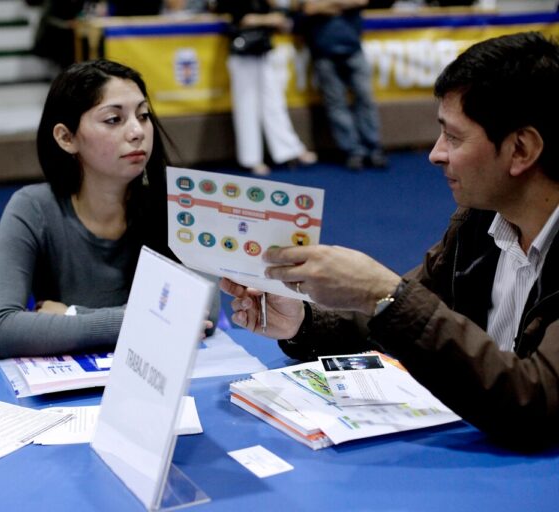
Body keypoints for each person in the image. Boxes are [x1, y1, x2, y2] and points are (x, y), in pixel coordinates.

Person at [221, 32, 559, 447]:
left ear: (521, 149)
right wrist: (304, 322)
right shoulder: (481, 222)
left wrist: (385, 292)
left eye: (453, 137)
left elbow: (536, 404)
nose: (435, 154)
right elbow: (403, 311)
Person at [0, 59, 218, 359]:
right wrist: (143, 320)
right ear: (67, 138)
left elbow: (203, 312)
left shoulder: (178, 201)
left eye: (143, 116)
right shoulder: (32, 208)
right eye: (114, 120)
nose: (137, 131)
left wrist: (73, 315)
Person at [214, 0, 318, 176]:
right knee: (247, 106)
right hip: (242, 53)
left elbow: (282, 14)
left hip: (263, 49)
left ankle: (290, 149)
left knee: (274, 102)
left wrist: (276, 18)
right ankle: (252, 159)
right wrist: (271, 19)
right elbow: (242, 19)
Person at [291, 0, 386, 170]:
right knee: (336, 105)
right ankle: (353, 151)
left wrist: (326, 6)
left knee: (365, 99)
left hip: (353, 50)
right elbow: (309, 8)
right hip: (324, 53)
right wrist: (340, 5)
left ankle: (373, 148)